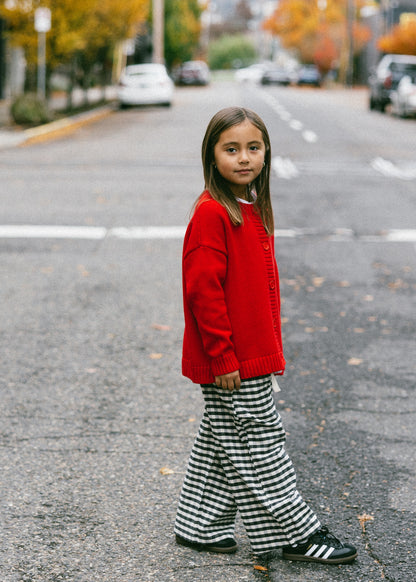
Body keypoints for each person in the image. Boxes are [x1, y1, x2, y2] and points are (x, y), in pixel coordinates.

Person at [174, 107, 357, 564]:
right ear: (211, 155)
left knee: (224, 437)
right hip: (232, 360)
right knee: (260, 443)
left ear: (266, 152)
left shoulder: (249, 206)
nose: (243, 158)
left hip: (248, 354)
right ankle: (295, 533)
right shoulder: (213, 214)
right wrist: (223, 357)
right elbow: (204, 293)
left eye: (253, 148)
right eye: (230, 149)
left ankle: (197, 523)